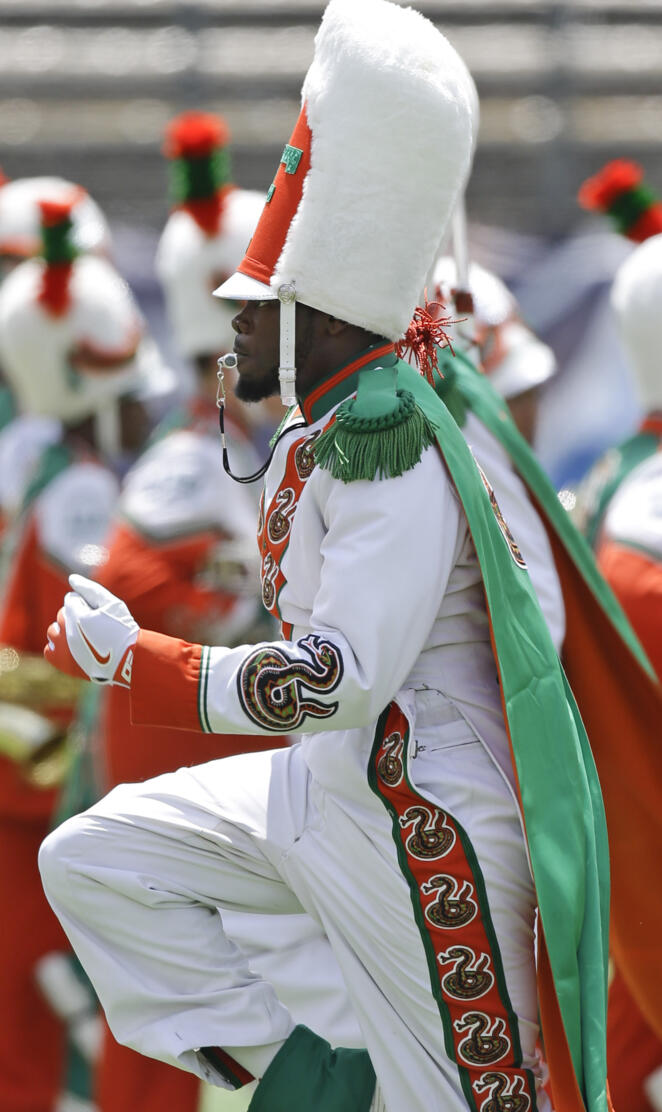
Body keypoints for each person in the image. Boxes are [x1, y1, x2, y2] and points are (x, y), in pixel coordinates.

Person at [39, 3, 611, 1110]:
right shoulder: (334, 424)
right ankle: (307, 1077)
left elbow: (340, 678)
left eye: (259, 303)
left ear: (327, 316)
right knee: (96, 856)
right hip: (331, 785)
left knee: (477, 1099)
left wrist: (139, 662)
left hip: (422, 809)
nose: (234, 322)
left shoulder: (386, 441)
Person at [93, 109, 359, 1112]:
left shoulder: (266, 440)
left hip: (235, 715)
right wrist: (234, 604)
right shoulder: (182, 460)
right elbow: (130, 586)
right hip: (182, 727)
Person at [0, 188, 169, 1112]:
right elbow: (80, 647)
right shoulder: (82, 490)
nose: (145, 411)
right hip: (42, 771)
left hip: (26, 761)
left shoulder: (43, 462)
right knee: (42, 1014)